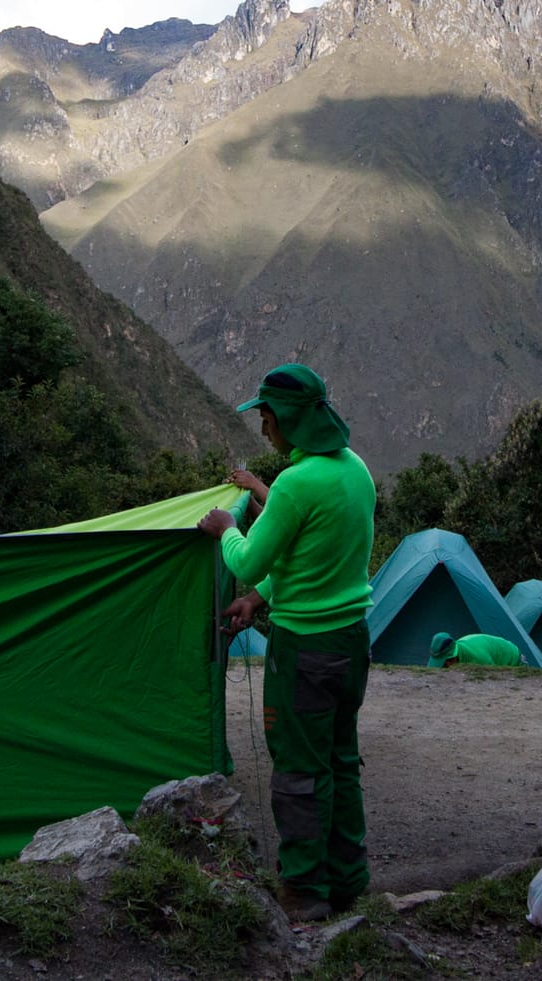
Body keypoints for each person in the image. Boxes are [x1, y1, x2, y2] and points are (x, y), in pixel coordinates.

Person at [199, 364, 374, 923]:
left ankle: (302, 890)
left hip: (305, 650)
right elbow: (312, 560)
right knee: (340, 761)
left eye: (267, 417)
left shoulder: (297, 485)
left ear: (288, 419)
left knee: (299, 768)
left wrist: (226, 526)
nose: (264, 428)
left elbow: (248, 558)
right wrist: (259, 598)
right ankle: (349, 880)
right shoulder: (355, 471)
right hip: (352, 642)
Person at [427, 631, 522, 668]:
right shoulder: (457, 650)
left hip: (512, 657)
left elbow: (494, 678)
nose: (447, 665)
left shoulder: (479, 658)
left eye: (449, 661)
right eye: (443, 663)